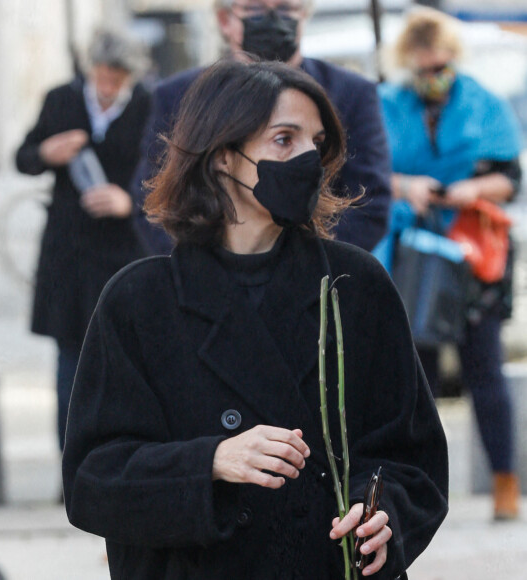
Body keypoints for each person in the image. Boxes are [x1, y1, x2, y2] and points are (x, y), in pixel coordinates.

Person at [62, 59, 448, 580]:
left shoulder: (356, 285)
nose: (307, 159)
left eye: (316, 142)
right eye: (284, 140)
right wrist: (212, 461)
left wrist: (383, 515)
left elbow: (412, 456)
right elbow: (93, 480)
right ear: (223, 155)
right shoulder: (138, 300)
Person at [375, 7, 523, 519]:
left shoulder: (483, 101)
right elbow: (366, 170)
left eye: (440, 67)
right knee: (418, 377)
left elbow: (511, 176)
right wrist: (407, 185)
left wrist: (469, 190)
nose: (432, 78)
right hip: (413, 253)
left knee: (484, 370)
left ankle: (506, 481)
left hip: (473, 252)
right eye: (422, 69)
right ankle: (419, 487)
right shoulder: (388, 103)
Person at [131, 0, 392, 256]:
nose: (272, 20)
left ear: (304, 14)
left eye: (285, 8)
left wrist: (310, 267)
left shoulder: (352, 93)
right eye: (255, 8)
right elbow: (154, 199)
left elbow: (370, 202)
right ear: (225, 19)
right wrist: (204, 271)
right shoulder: (179, 94)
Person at [15, 29, 151, 452]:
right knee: (70, 363)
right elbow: (23, 157)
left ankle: (122, 456)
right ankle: (70, 463)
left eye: (117, 79)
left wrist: (129, 201)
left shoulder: (149, 106)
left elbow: (169, 177)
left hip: (125, 254)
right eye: (102, 76)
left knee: (128, 361)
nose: (108, 87)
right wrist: (47, 153)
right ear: (91, 69)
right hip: (69, 255)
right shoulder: (61, 100)